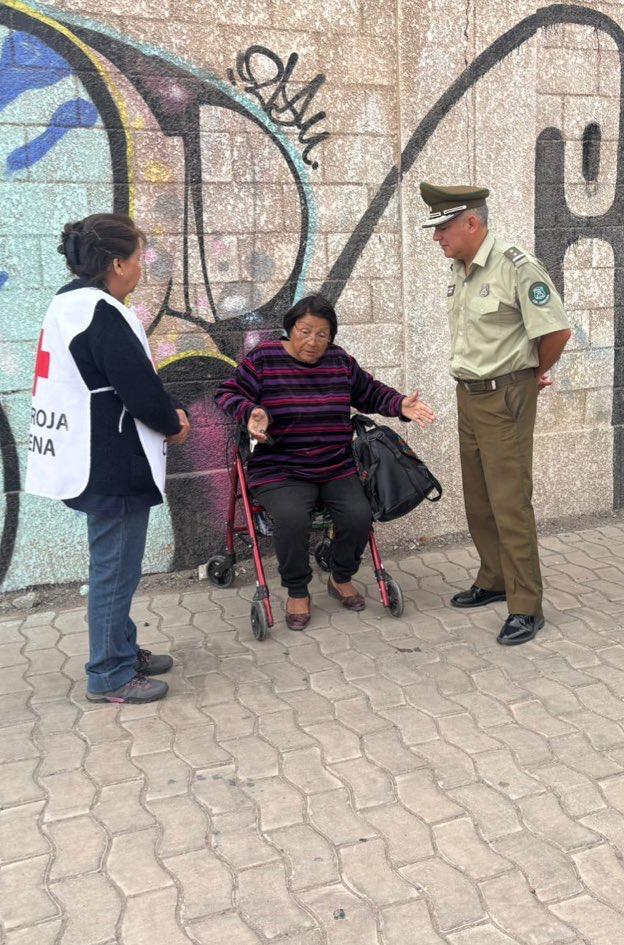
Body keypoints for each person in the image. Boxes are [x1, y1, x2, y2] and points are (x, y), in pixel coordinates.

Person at [25, 214, 190, 704]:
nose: (141, 268)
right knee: (115, 570)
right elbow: (139, 388)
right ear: (117, 264)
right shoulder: (101, 313)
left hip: (92, 456)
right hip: (111, 461)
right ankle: (109, 674)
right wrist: (174, 422)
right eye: (138, 259)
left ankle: (122, 648)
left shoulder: (69, 303)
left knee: (116, 567)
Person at [214, 295, 436, 629]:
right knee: (292, 520)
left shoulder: (339, 361)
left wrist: (400, 405)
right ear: (291, 328)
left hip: (335, 465)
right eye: (305, 331)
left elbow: (371, 392)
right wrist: (251, 412)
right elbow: (227, 393)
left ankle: (340, 576)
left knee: (359, 516)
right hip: (280, 468)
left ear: (331, 337)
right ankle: (297, 590)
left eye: (322, 334)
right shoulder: (264, 358)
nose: (312, 341)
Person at [420, 183, 572, 645]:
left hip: (505, 397)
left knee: (509, 502)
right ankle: (494, 579)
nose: (437, 237)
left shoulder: (515, 266)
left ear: (472, 223)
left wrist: (531, 374)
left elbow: (556, 331)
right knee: (479, 498)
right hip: (469, 395)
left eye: (443, 228)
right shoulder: (460, 269)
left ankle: (526, 606)